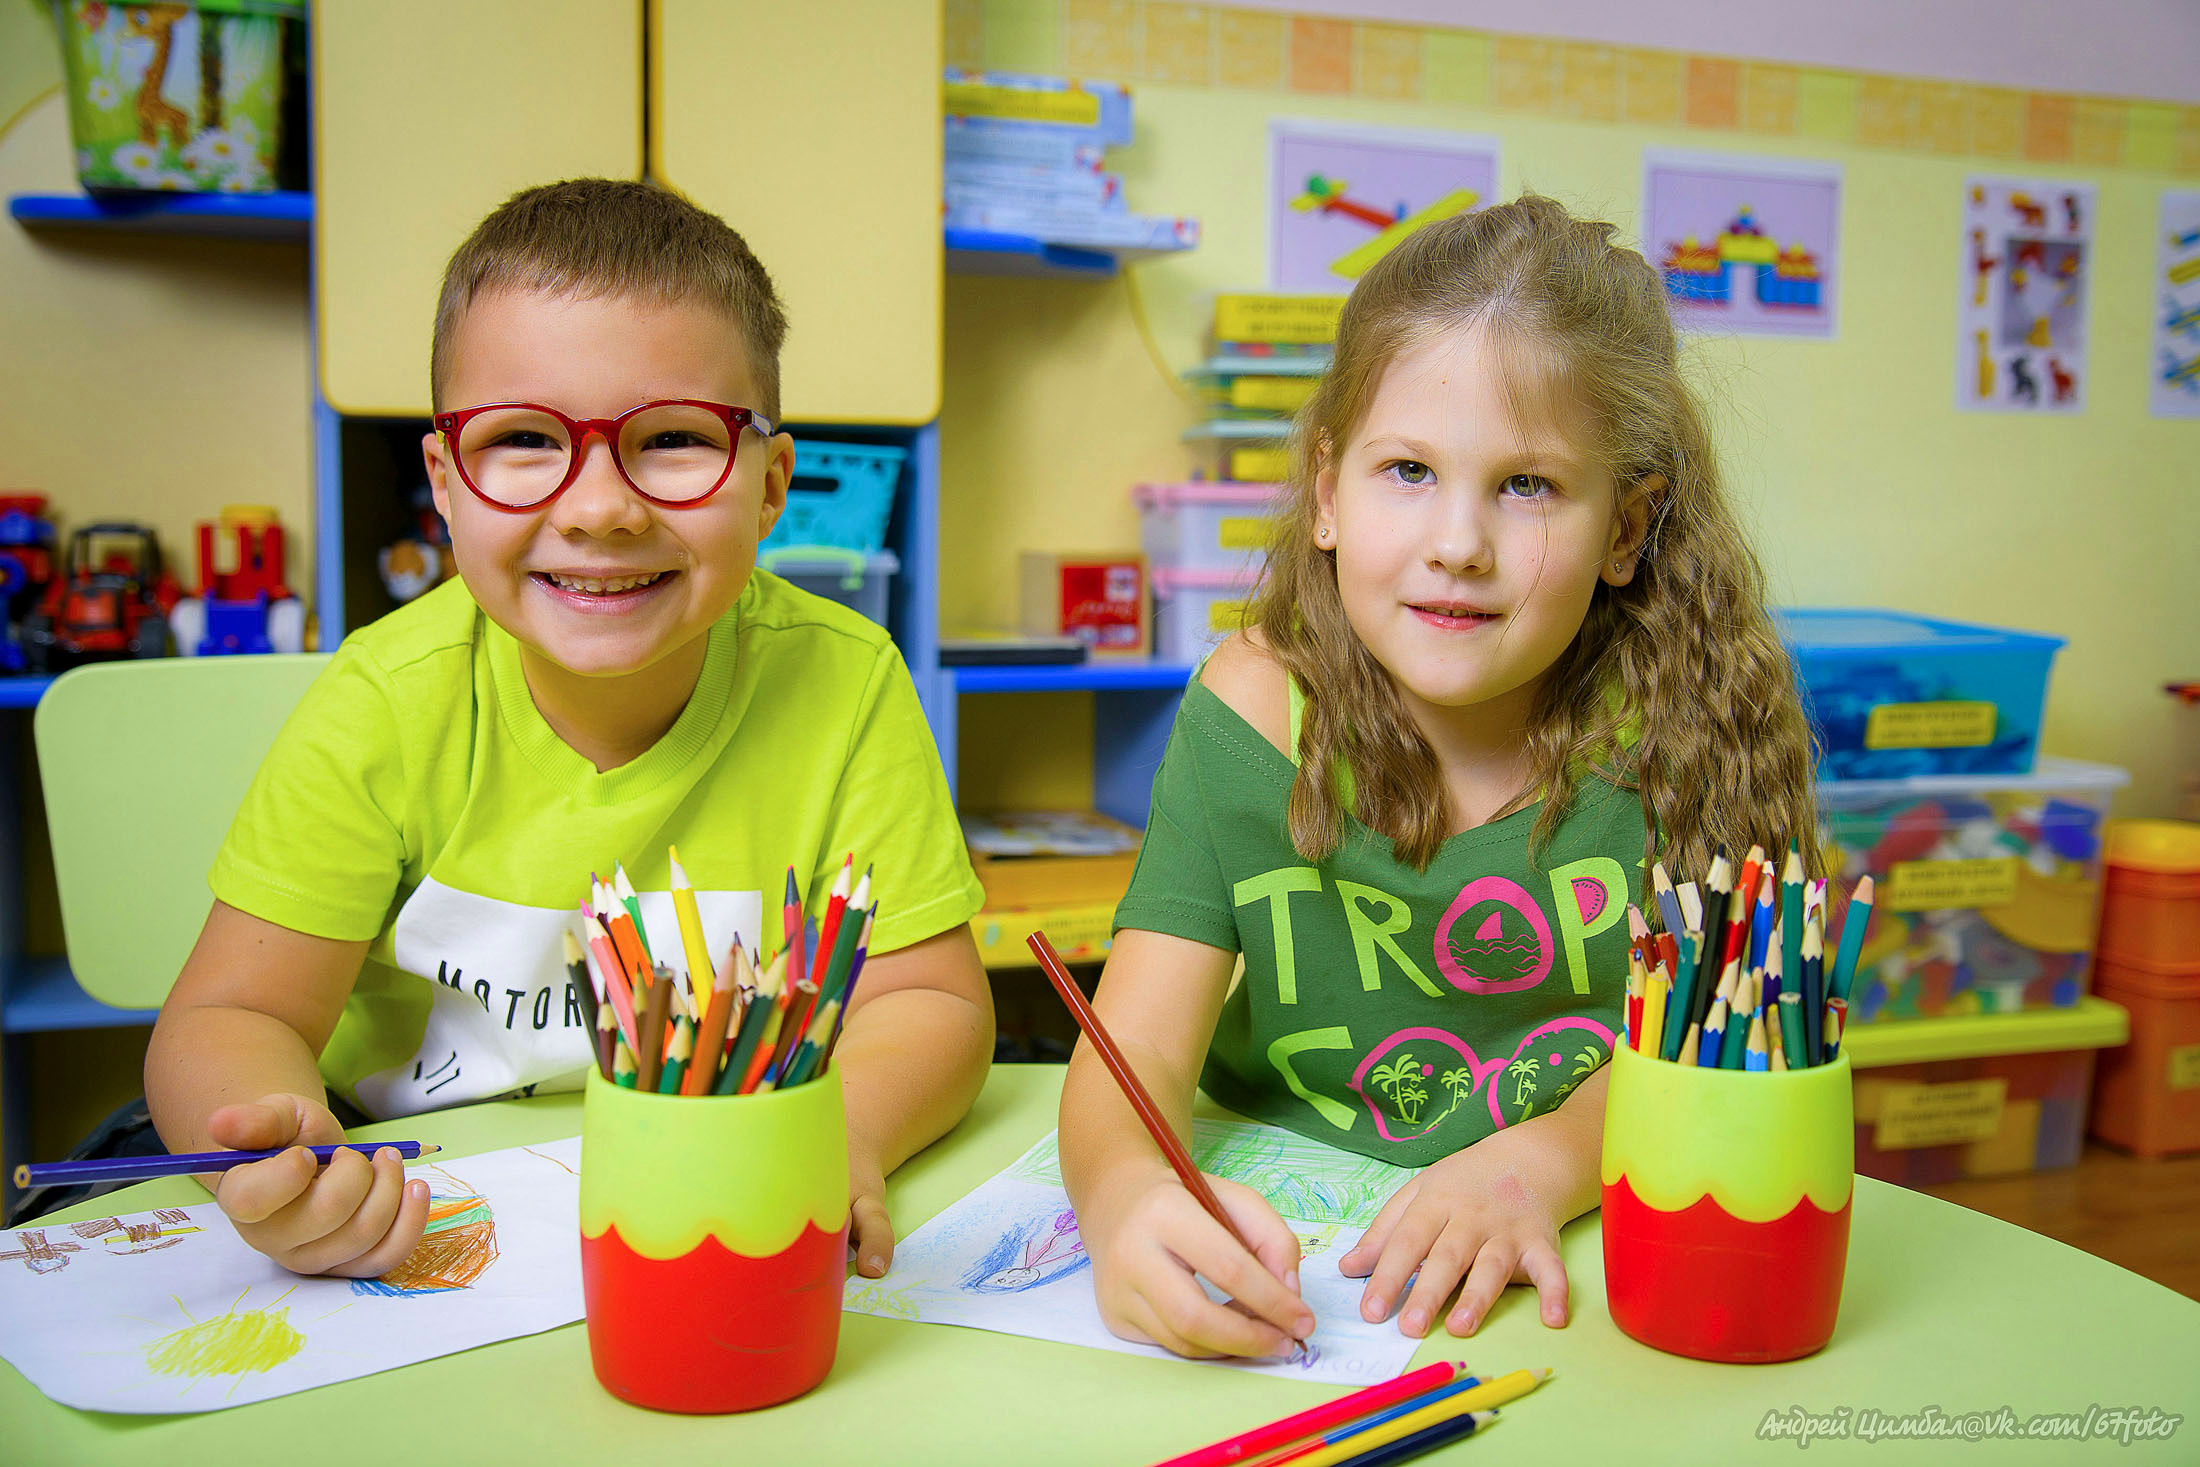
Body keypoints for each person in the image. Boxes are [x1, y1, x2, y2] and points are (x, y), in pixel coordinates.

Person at [144, 179, 992, 1281]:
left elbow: (926, 1001)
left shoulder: (847, 678)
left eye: (675, 438)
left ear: (771, 484)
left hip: (727, 1202)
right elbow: (230, 1016)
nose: (599, 509)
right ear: (446, 483)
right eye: (525, 439)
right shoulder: (387, 699)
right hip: (423, 1208)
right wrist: (282, 1159)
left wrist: (840, 1138)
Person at [1059, 195, 1818, 1360]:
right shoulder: (1249, 713)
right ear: (1327, 494)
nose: (1457, 543)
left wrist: (1538, 1164)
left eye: (1527, 486)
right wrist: (1122, 1202)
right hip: (1291, 1251)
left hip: (1583, 1251)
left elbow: (1720, 1055)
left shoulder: (1693, 723)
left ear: (1626, 528)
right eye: (1407, 469)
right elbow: (1137, 1050)